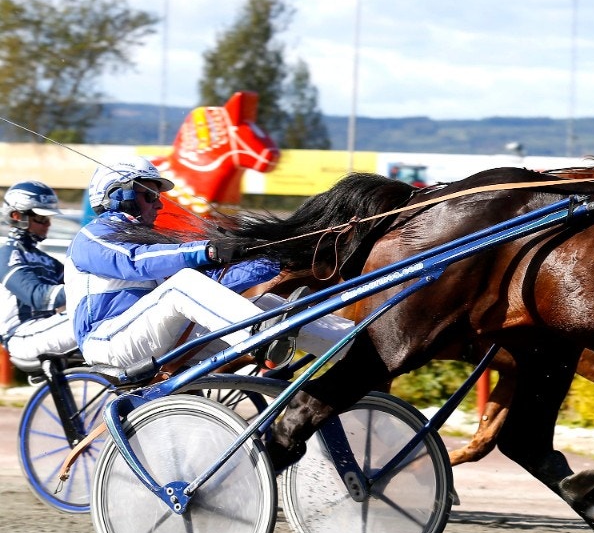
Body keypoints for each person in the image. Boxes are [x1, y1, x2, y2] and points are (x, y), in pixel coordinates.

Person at [65, 156, 352, 376]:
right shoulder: (91, 237)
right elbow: (132, 262)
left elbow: (217, 283)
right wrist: (209, 250)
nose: (159, 205)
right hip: (107, 343)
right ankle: (262, 336)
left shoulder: (149, 242)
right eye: (151, 195)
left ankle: (352, 343)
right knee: (183, 286)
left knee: (266, 304)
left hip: (152, 338)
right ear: (119, 196)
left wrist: (273, 257)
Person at [0, 180, 79, 362]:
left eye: (49, 218)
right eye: (42, 218)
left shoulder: (47, 260)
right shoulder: (7, 254)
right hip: (22, 336)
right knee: (92, 314)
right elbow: (38, 297)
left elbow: (78, 280)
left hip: (45, 330)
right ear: (17, 216)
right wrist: (89, 288)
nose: (48, 224)